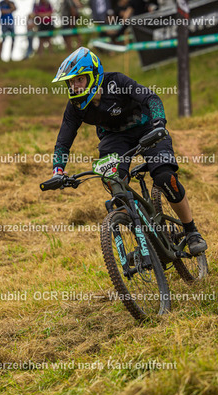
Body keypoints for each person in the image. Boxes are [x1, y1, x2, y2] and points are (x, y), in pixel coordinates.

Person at [49, 47, 208, 255]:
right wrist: (58, 170)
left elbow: (151, 98)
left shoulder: (117, 82)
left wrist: (159, 123)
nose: (74, 86)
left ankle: (191, 231)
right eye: (70, 82)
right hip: (114, 138)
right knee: (114, 183)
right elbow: (64, 139)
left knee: (164, 177)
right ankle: (143, 237)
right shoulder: (75, 106)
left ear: (93, 76)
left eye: (79, 80)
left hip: (147, 127)